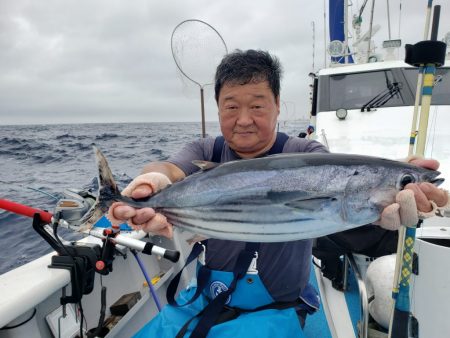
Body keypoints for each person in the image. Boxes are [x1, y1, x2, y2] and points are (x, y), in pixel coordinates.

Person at [109, 50, 448, 337]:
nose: (243, 120)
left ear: (277, 106)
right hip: (205, 297)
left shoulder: (308, 153)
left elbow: (347, 180)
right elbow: (168, 169)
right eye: (230, 107)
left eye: (257, 106)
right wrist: (149, 181)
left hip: (277, 307)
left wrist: (397, 183)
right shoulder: (206, 149)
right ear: (218, 110)